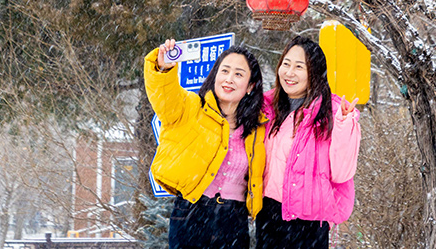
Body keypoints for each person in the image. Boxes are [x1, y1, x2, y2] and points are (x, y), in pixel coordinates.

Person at [144, 39, 266, 249]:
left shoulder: (257, 129)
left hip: (234, 221)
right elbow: (164, 98)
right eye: (225, 71)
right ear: (215, 75)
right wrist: (163, 67)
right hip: (191, 213)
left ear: (250, 86)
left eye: (238, 74)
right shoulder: (190, 108)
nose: (229, 79)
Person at [256, 35, 361, 249]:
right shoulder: (268, 108)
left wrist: (343, 124)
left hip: (307, 223)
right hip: (268, 215)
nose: (289, 73)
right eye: (286, 64)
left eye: (299, 67)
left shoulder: (332, 113)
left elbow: (342, 173)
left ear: (314, 74)